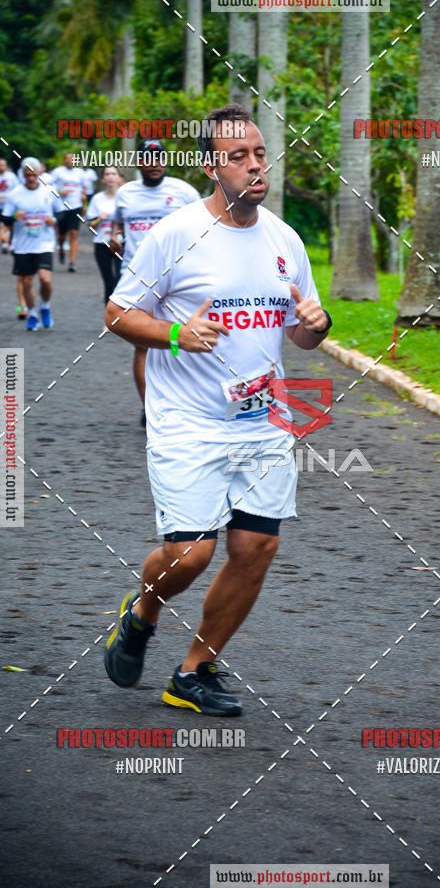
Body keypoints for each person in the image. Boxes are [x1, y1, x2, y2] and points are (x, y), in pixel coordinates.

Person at [103, 104, 332, 717]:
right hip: (186, 419)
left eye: (260, 153)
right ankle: (144, 610)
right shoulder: (175, 235)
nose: (255, 166)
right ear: (212, 167)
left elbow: (301, 334)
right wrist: (177, 335)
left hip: (264, 417)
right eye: (239, 157)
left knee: (255, 548)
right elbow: (118, 314)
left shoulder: (284, 238)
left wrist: (317, 324)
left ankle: (194, 672)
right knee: (190, 554)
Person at [109, 137, 199, 422]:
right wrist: (114, 237)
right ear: (139, 163)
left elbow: (204, 225)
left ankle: (184, 402)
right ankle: (149, 408)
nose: (154, 164)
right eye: (148, 159)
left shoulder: (184, 192)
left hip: (180, 278)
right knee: (144, 344)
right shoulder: (126, 193)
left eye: (159, 158)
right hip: (138, 279)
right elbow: (117, 223)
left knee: (183, 339)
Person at [1, 157, 62, 331]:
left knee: (45, 279)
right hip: (22, 245)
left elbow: (63, 214)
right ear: (23, 174)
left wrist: (54, 220)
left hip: (44, 243)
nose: (31, 178)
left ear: (39, 173)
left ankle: (45, 306)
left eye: (33, 175)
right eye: (27, 175)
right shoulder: (15, 195)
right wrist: (14, 218)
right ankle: (33, 314)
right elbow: (5, 218)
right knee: (27, 282)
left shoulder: (49, 191)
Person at [86, 166, 121, 303]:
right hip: (101, 243)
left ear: (119, 177)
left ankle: (121, 319)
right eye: (107, 174)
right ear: (103, 179)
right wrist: (99, 219)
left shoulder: (124, 197)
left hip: (120, 244)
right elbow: (90, 226)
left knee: (120, 279)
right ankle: (109, 320)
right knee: (109, 281)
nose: (111, 177)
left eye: (114, 174)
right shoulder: (97, 199)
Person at [48, 152, 86, 271]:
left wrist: (84, 198)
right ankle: (61, 249)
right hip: (61, 206)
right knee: (62, 235)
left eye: (72, 159)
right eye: (67, 158)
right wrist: (59, 191)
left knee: (74, 233)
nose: (70, 161)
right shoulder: (58, 172)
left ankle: (72, 263)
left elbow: (84, 187)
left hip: (76, 206)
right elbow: (48, 185)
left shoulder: (80, 173)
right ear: (64, 160)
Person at [0, 157, 19, 255]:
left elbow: (17, 189)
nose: (1, 167)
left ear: (6, 166)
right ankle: (4, 242)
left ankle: (7, 243)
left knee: (8, 224)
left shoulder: (11, 176)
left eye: (3, 165)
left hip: (8, 206)